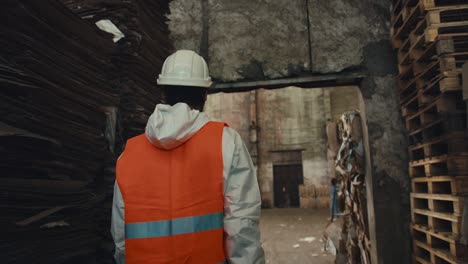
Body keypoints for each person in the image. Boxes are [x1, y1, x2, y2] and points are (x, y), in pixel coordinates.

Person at [111, 50, 265, 264]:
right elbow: (241, 226)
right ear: (204, 95)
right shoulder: (226, 142)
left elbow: (121, 239)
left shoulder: (129, 155)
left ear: (163, 93)